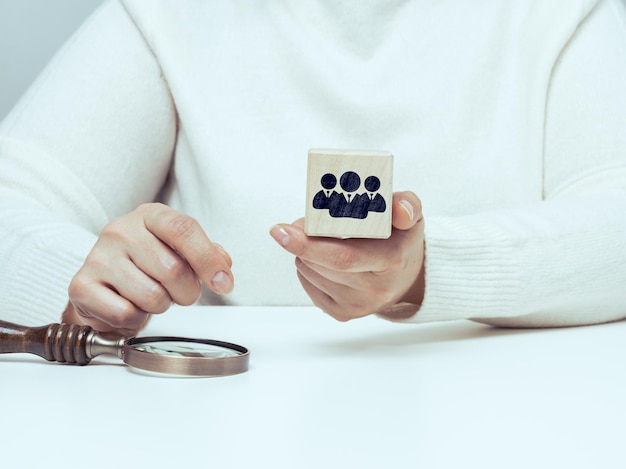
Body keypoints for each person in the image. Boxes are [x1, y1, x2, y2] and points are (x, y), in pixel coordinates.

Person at [1, 0, 625, 334]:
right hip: (208, 435)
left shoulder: (562, 13)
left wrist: (427, 270)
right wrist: (92, 283)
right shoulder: (168, 15)